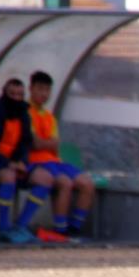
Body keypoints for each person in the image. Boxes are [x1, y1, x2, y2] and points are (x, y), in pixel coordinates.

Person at [27, 70, 96, 243]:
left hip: (54, 161)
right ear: (31, 89)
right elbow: (34, 144)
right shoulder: (25, 112)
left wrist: (46, 142)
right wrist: (46, 142)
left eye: (47, 90)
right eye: (40, 89)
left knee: (87, 183)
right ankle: (61, 230)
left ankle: (75, 229)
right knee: (65, 183)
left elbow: (55, 143)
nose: (44, 94)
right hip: (36, 162)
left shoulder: (49, 116)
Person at [0, 77, 54, 244]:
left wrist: (22, 161)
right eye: (12, 94)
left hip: (15, 162)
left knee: (45, 178)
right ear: (4, 93)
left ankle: (21, 225)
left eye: (20, 95)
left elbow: (25, 142)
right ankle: (3, 227)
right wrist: (7, 162)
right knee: (8, 176)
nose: (16, 98)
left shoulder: (24, 113)